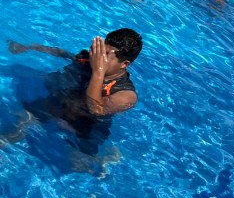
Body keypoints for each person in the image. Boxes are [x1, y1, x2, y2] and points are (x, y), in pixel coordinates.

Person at [3, 29, 143, 157]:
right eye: (99, 51)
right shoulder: (89, 59)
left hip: (85, 126)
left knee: (79, 164)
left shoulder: (126, 95)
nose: (97, 58)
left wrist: (98, 72)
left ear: (124, 64)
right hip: (60, 105)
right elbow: (62, 53)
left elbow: (96, 109)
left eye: (105, 55)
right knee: (20, 122)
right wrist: (28, 47)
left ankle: (108, 156)